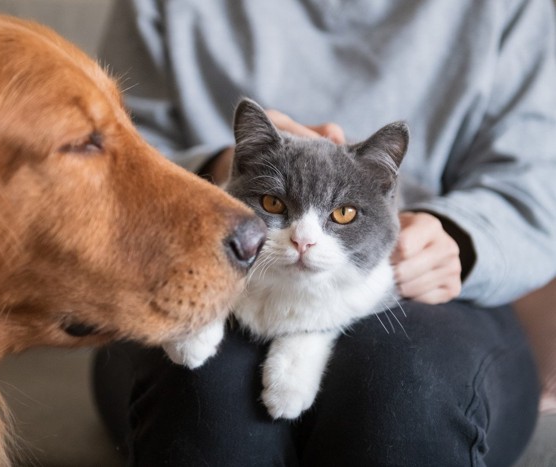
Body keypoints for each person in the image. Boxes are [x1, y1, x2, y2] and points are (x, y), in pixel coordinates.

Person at [91, 0, 556, 465]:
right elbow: (107, 157)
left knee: (410, 390)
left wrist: (458, 235)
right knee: (204, 390)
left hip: (419, 272)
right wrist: (214, 178)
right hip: (206, 247)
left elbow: (537, 178)